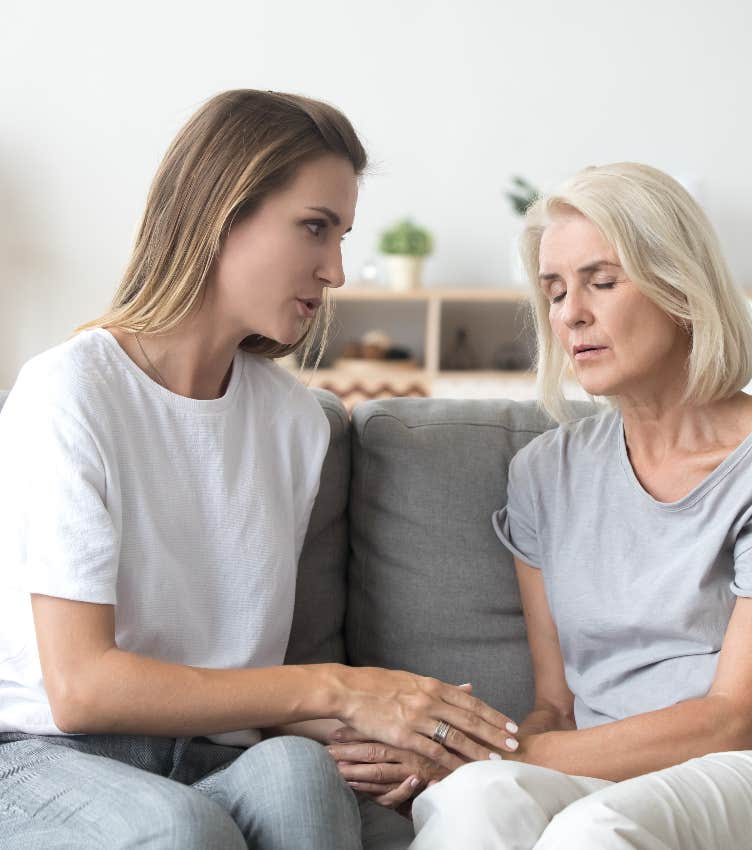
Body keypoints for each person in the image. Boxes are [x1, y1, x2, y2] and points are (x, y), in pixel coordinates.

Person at [0, 89, 519, 850]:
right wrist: (343, 688)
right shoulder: (70, 392)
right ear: (222, 212)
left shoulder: (293, 423)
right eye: (315, 228)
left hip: (212, 752)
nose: (336, 270)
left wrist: (389, 730)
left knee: (302, 779)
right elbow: (81, 689)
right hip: (48, 758)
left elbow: (241, 680)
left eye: (341, 235)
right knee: (183, 829)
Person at [332, 162, 752, 848]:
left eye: (602, 282)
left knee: (594, 829)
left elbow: (736, 720)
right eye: (554, 290)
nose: (571, 312)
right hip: (611, 768)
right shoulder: (546, 473)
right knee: (471, 803)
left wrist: (485, 753)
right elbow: (557, 706)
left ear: (680, 285)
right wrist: (461, 761)